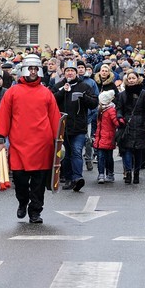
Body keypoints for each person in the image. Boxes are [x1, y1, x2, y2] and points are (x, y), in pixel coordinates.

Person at [0, 55, 61, 223]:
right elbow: (3, 117)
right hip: (19, 144)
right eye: (30, 68)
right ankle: (23, 202)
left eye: (35, 69)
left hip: (42, 145)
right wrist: (0, 142)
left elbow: (55, 119)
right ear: (24, 70)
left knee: (38, 182)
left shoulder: (46, 93)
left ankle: (35, 210)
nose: (33, 72)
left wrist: (58, 145)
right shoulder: (13, 92)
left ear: (39, 70)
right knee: (21, 180)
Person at [53, 59, 98, 191]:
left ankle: (77, 177)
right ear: (64, 72)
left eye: (72, 71)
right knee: (66, 154)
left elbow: (94, 103)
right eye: (68, 71)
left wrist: (84, 98)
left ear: (77, 73)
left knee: (77, 151)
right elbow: (51, 101)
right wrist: (63, 91)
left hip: (78, 126)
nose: (70, 73)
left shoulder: (84, 86)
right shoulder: (58, 86)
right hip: (63, 127)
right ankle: (68, 178)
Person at [115, 70, 145, 185]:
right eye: (129, 78)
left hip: (140, 125)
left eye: (133, 78)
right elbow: (119, 108)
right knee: (126, 150)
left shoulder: (143, 93)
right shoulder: (122, 94)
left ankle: (136, 173)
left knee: (138, 151)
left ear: (137, 79)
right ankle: (128, 172)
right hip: (126, 125)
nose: (131, 80)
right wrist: (120, 117)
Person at [93, 90, 118, 183]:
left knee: (107, 157)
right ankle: (102, 174)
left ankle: (109, 174)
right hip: (101, 137)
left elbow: (116, 122)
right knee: (101, 156)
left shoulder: (110, 110)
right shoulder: (101, 109)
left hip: (107, 137)